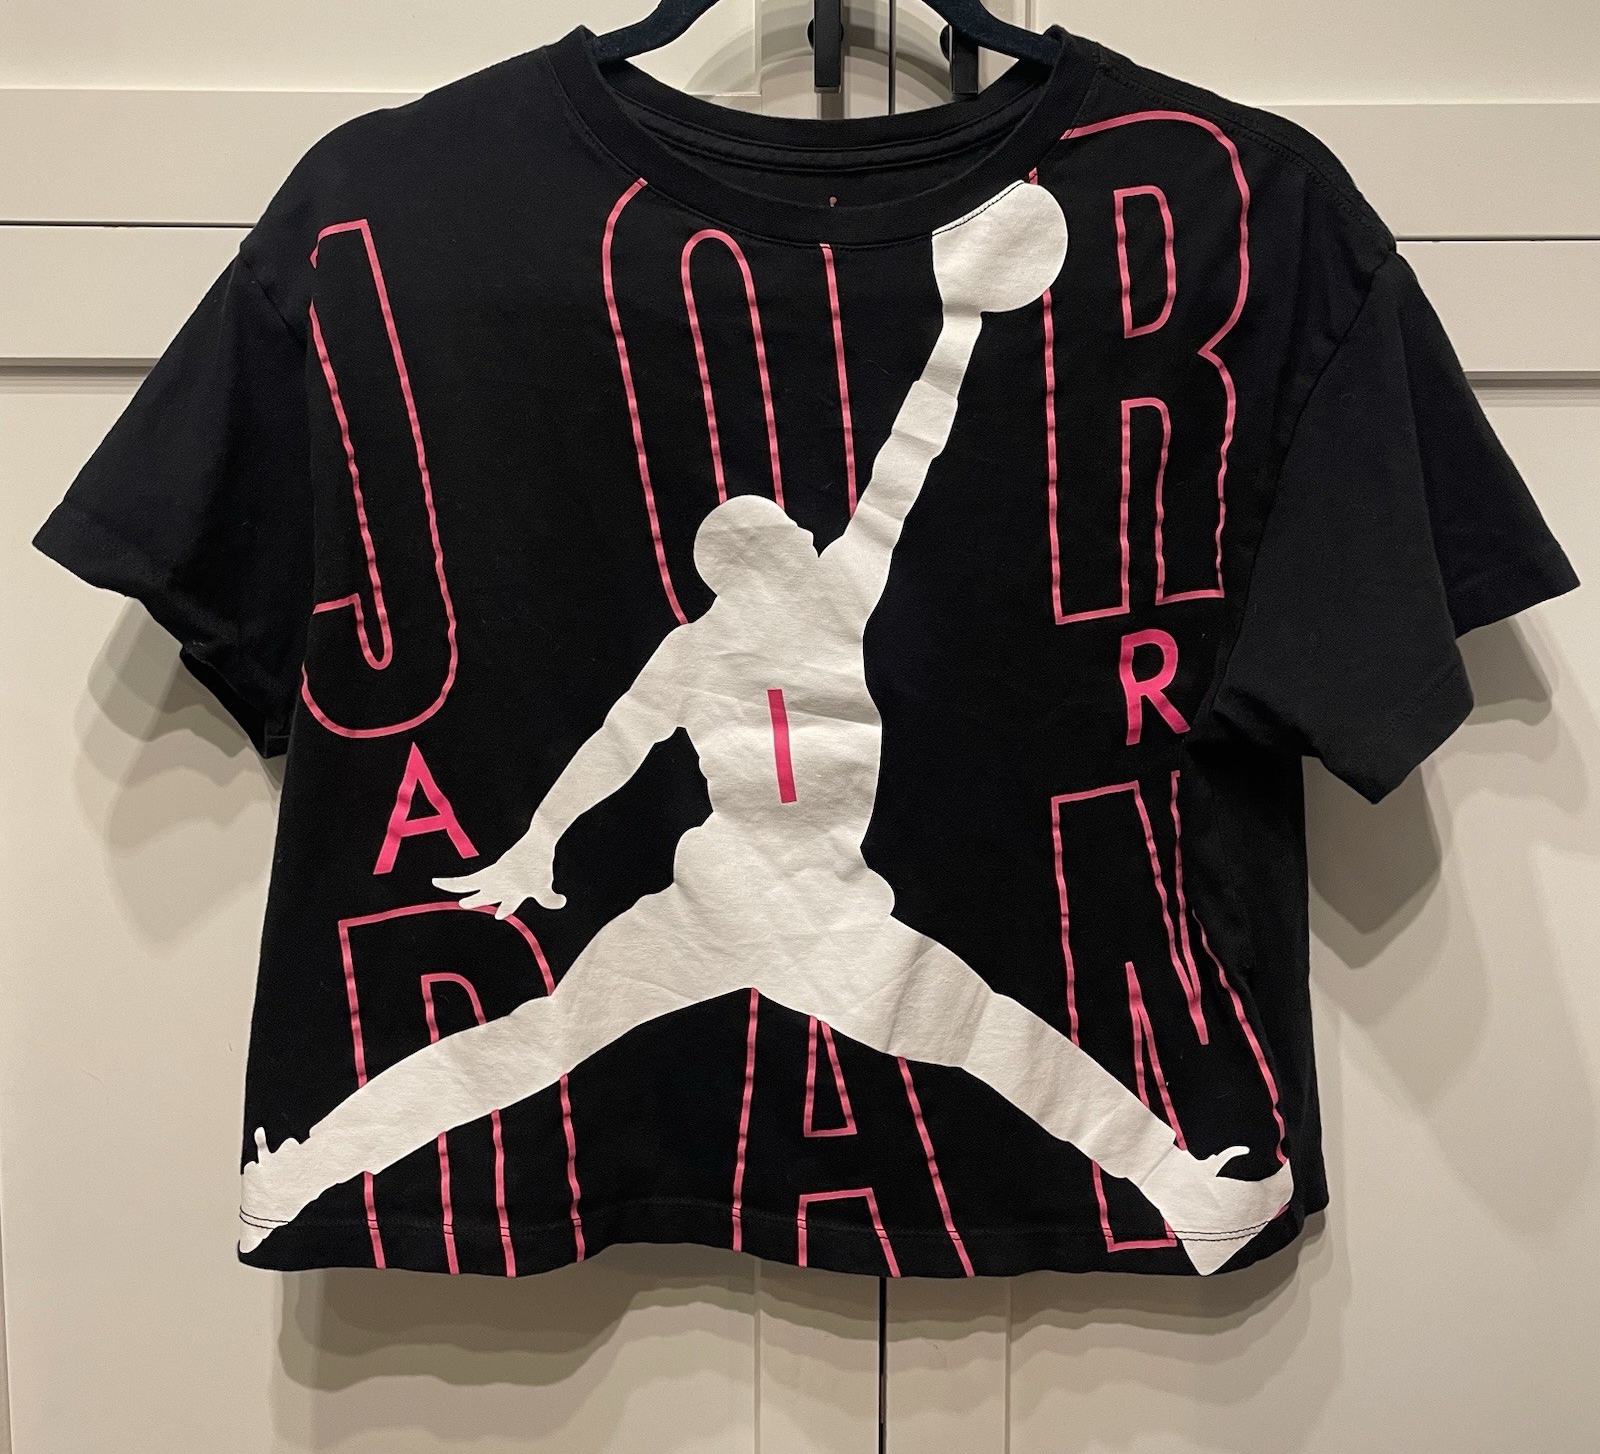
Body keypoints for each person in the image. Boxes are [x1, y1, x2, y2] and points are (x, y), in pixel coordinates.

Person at [240, 182, 1293, 1275]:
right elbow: (905, 462)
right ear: (760, 558)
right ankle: (1185, 1192)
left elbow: (618, 743)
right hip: (799, 907)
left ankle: (297, 1174)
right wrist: (960, 326)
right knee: (996, 1038)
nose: (800, 532)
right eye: (784, 531)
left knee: (532, 1044)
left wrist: (537, 842)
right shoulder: (820, 601)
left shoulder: (734, 634)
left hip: (747, 900)